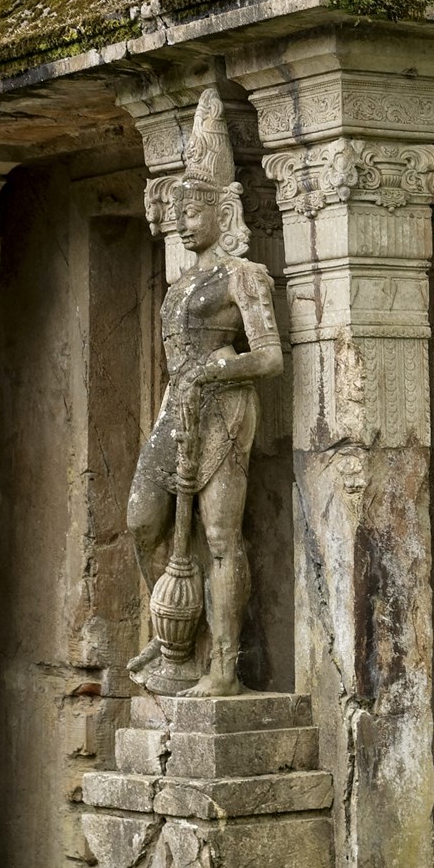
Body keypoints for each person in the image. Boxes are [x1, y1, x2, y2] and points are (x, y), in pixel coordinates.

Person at [129, 90, 284, 697]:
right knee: (143, 519)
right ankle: (171, 627)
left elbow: (269, 357)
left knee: (220, 536)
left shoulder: (243, 277)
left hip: (223, 407)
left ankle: (221, 664)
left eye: (193, 211)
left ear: (223, 211)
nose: (181, 221)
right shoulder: (181, 280)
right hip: (178, 407)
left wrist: (218, 369)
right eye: (178, 211)